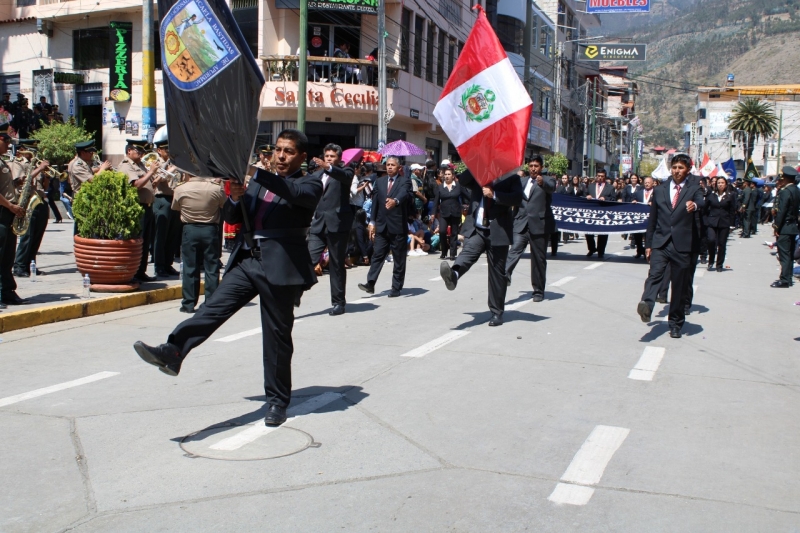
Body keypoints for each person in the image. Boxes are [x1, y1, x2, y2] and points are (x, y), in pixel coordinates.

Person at [134, 129, 323, 427]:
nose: (282, 156)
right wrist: (235, 198)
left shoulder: (309, 182)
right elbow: (234, 217)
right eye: (278, 150)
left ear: (302, 156)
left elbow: (294, 195)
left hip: (281, 267)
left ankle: (277, 401)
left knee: (276, 337)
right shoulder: (259, 183)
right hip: (248, 259)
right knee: (212, 308)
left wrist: (252, 173)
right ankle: (173, 351)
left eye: (289, 152)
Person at [439, 167, 523, 327]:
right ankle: (453, 275)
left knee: (497, 273)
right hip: (478, 228)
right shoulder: (480, 173)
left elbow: (518, 198)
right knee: (468, 253)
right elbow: (463, 180)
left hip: (498, 230)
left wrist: (495, 195)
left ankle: (497, 312)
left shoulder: (511, 177)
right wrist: (477, 162)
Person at [637, 154, 705, 339]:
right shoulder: (660, 190)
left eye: (681, 168)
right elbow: (653, 219)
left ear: (688, 169)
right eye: (674, 167)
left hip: (683, 245)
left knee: (679, 286)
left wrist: (695, 205)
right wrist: (649, 244)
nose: (677, 171)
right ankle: (647, 303)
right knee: (655, 274)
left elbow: (702, 201)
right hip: (661, 241)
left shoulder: (693, 188)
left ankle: (675, 323)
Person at [0, 124, 48, 306]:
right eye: (6, 140)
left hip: (9, 212)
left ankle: (7, 291)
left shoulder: (3, 160)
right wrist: (11, 206)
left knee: (7, 256)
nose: (8, 144)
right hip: (3, 211)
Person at [307, 143, 356, 316]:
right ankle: (295, 293)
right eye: (326, 156)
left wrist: (328, 167)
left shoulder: (346, 171)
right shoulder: (317, 174)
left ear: (339, 158)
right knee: (307, 259)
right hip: (318, 224)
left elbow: (343, 176)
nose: (328, 158)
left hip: (337, 224)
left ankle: (338, 303)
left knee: (336, 264)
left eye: (332, 156)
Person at [171, 176, 226, 312]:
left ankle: (188, 303)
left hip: (190, 229)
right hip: (210, 228)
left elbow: (175, 207)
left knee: (190, 267)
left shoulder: (180, 188)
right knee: (211, 267)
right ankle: (211, 303)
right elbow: (223, 204)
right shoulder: (215, 188)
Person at [505, 156, 555, 302]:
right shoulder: (522, 182)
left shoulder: (547, 180)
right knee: (514, 250)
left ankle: (538, 290)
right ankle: (505, 275)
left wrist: (543, 182)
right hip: (521, 224)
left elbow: (551, 188)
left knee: (538, 259)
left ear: (541, 167)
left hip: (539, 226)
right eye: (531, 165)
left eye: (536, 166)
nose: (533, 168)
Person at [358, 156, 410, 297]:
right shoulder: (379, 182)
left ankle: (396, 287)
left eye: (393, 165)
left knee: (399, 258)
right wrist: (372, 222)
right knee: (378, 255)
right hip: (382, 226)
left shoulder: (404, 181)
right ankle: (370, 283)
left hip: (397, 226)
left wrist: (396, 201)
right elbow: (375, 203)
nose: (390, 167)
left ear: (399, 167)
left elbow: (404, 194)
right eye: (387, 165)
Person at [117, 139, 159, 282]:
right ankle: (133, 272)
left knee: (145, 241)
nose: (141, 154)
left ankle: (141, 271)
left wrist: (155, 175)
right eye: (138, 151)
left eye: (142, 151)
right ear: (129, 151)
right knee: (136, 240)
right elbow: (136, 185)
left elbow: (148, 182)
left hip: (147, 207)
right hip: (136, 207)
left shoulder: (140, 164)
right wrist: (151, 171)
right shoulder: (125, 166)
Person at [12, 140, 50, 277]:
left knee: (37, 236)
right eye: (31, 150)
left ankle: (31, 264)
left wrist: (46, 175)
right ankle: (19, 266)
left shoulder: (36, 164)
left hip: (39, 201)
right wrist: (39, 168)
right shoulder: (18, 163)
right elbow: (19, 181)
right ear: (23, 149)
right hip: (26, 202)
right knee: (27, 236)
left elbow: (44, 187)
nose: (34, 153)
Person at [152, 140, 182, 278]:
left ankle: (168, 264)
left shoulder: (174, 162)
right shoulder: (154, 162)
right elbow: (157, 180)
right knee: (161, 235)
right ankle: (159, 266)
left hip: (174, 199)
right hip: (162, 198)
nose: (169, 152)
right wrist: (170, 169)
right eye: (166, 149)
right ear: (159, 150)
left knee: (172, 234)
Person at [770, 166, 800, 288]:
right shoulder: (796, 190)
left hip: (785, 226)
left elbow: (782, 211)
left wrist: (777, 226)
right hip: (793, 226)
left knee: (784, 254)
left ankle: (785, 279)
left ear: (785, 178)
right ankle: (787, 277)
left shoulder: (785, 191)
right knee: (790, 253)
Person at [433, 167, 466, 260]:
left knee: (454, 233)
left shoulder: (458, 186)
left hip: (455, 212)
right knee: (442, 231)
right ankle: (444, 250)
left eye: (449, 174)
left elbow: (467, 196)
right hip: (444, 213)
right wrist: (433, 213)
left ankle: (452, 253)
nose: (447, 176)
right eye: (445, 174)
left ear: (453, 176)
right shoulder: (440, 187)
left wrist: (470, 203)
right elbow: (436, 201)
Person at [705, 175, 735, 272]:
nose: (720, 185)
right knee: (711, 240)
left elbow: (732, 211)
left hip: (724, 222)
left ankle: (719, 264)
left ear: (726, 184)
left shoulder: (730, 195)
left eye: (722, 183)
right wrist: (706, 220)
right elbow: (705, 209)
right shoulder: (711, 195)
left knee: (722, 244)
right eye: (718, 183)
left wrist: (732, 224)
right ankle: (710, 261)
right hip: (712, 221)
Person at [584, 168, 616, 259]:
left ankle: (601, 251)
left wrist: (605, 199)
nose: (600, 178)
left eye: (602, 176)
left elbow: (614, 199)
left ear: (605, 177)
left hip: (604, 213)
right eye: (598, 176)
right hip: (591, 213)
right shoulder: (590, 186)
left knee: (603, 233)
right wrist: (587, 196)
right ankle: (591, 248)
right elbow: (583, 195)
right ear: (596, 176)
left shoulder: (610, 188)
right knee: (588, 232)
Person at [631, 177, 656, 259]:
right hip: (640, 218)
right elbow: (633, 200)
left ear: (652, 183)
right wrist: (634, 202)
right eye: (645, 182)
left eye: (649, 182)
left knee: (648, 236)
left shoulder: (656, 193)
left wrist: (653, 203)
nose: (647, 184)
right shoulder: (638, 193)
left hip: (650, 218)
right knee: (637, 236)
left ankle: (648, 252)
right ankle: (639, 251)